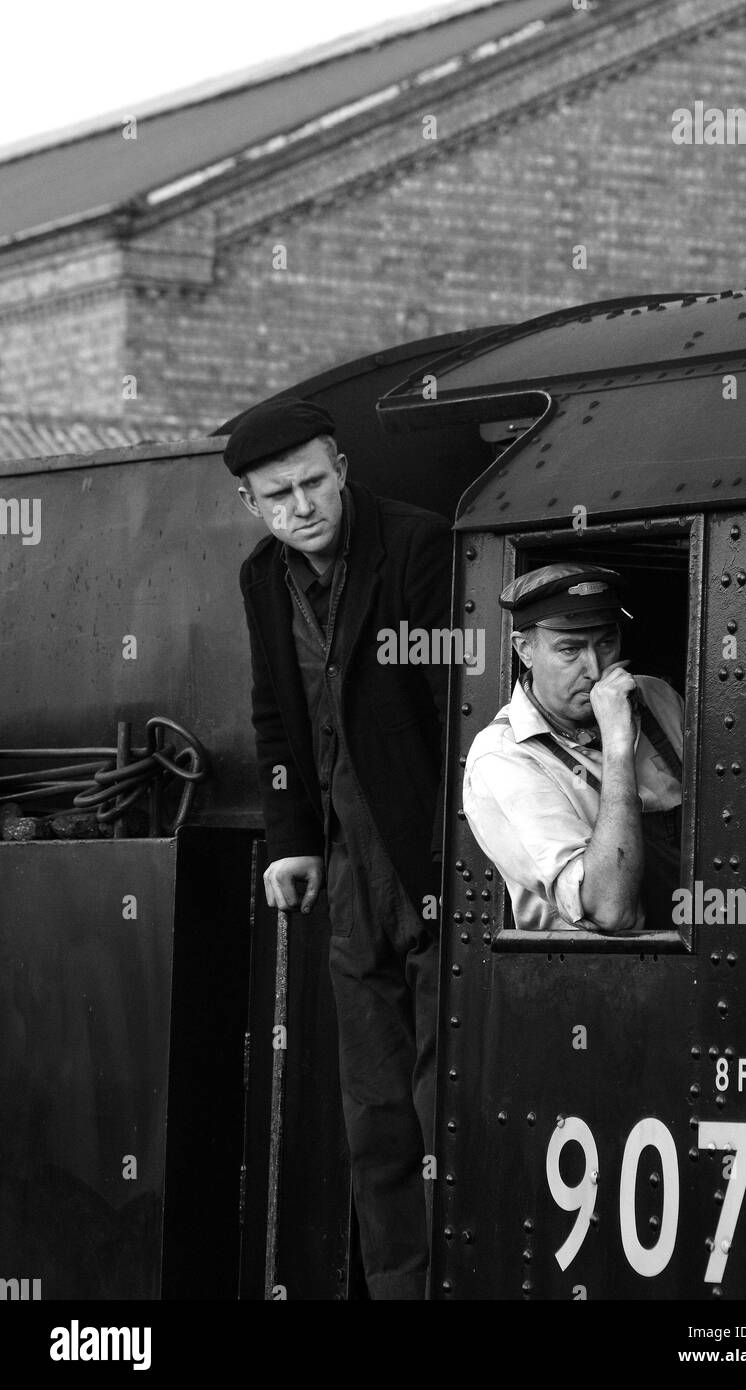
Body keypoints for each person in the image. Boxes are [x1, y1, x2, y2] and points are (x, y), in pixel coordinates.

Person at [228, 394, 451, 1299]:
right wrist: (292, 839)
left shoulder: (417, 543)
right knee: (375, 1114)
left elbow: (455, 705)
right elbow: (276, 716)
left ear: (342, 469)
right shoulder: (260, 578)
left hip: (429, 855)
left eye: (312, 482)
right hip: (349, 865)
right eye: (276, 496)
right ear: (250, 503)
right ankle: (399, 1291)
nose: (300, 508)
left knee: (445, 1097)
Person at [463, 562, 684, 934]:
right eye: (570, 650)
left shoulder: (656, 696)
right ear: (525, 650)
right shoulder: (503, 757)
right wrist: (617, 747)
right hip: (601, 977)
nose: (595, 670)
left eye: (606, 643)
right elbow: (610, 911)